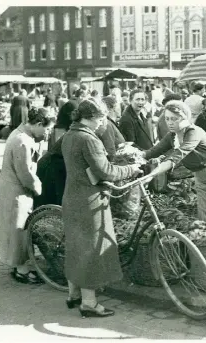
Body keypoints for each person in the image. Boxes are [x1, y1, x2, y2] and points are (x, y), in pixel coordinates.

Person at [61, 98, 142, 318]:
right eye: (100, 118)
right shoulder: (89, 139)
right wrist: (130, 169)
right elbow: (106, 171)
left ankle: (73, 295)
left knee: (76, 248)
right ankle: (89, 304)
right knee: (92, 250)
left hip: (72, 198)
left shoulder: (69, 135)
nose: (102, 123)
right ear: (90, 118)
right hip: (90, 201)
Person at [0, 107, 56, 284]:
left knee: (15, 230)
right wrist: (39, 188)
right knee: (19, 231)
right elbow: (25, 175)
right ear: (38, 124)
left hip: (11, 190)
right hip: (16, 193)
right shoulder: (22, 141)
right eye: (46, 129)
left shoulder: (21, 133)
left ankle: (16, 265)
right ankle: (22, 270)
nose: (47, 132)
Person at [98, 96, 126, 160]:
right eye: (119, 106)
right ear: (113, 108)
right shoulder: (107, 124)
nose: (121, 109)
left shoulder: (110, 123)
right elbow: (110, 151)